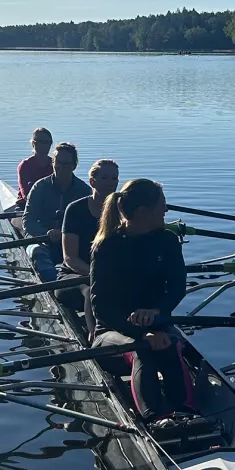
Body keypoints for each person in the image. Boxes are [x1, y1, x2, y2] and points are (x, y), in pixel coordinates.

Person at [89, 178, 196, 426]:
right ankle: (155, 420)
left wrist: (157, 312)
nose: (166, 210)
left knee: (169, 344)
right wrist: (140, 332)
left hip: (157, 325)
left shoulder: (168, 241)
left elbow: (177, 288)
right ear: (143, 212)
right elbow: (101, 308)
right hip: (112, 332)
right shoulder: (106, 247)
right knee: (143, 348)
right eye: (162, 204)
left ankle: (187, 413)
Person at [54, 158, 119, 337]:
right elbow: (70, 258)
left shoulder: (121, 211)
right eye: (105, 178)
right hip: (74, 276)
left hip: (108, 276)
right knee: (91, 289)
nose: (110, 183)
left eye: (114, 178)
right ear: (92, 182)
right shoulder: (75, 210)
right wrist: (97, 275)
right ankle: (94, 337)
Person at [22, 142, 90, 282]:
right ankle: (52, 286)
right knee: (37, 251)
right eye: (57, 162)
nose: (60, 167)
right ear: (53, 163)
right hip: (42, 241)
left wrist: (66, 235)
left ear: (74, 166)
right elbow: (28, 221)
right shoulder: (40, 187)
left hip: (71, 243)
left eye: (65, 163)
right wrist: (46, 233)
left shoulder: (84, 190)